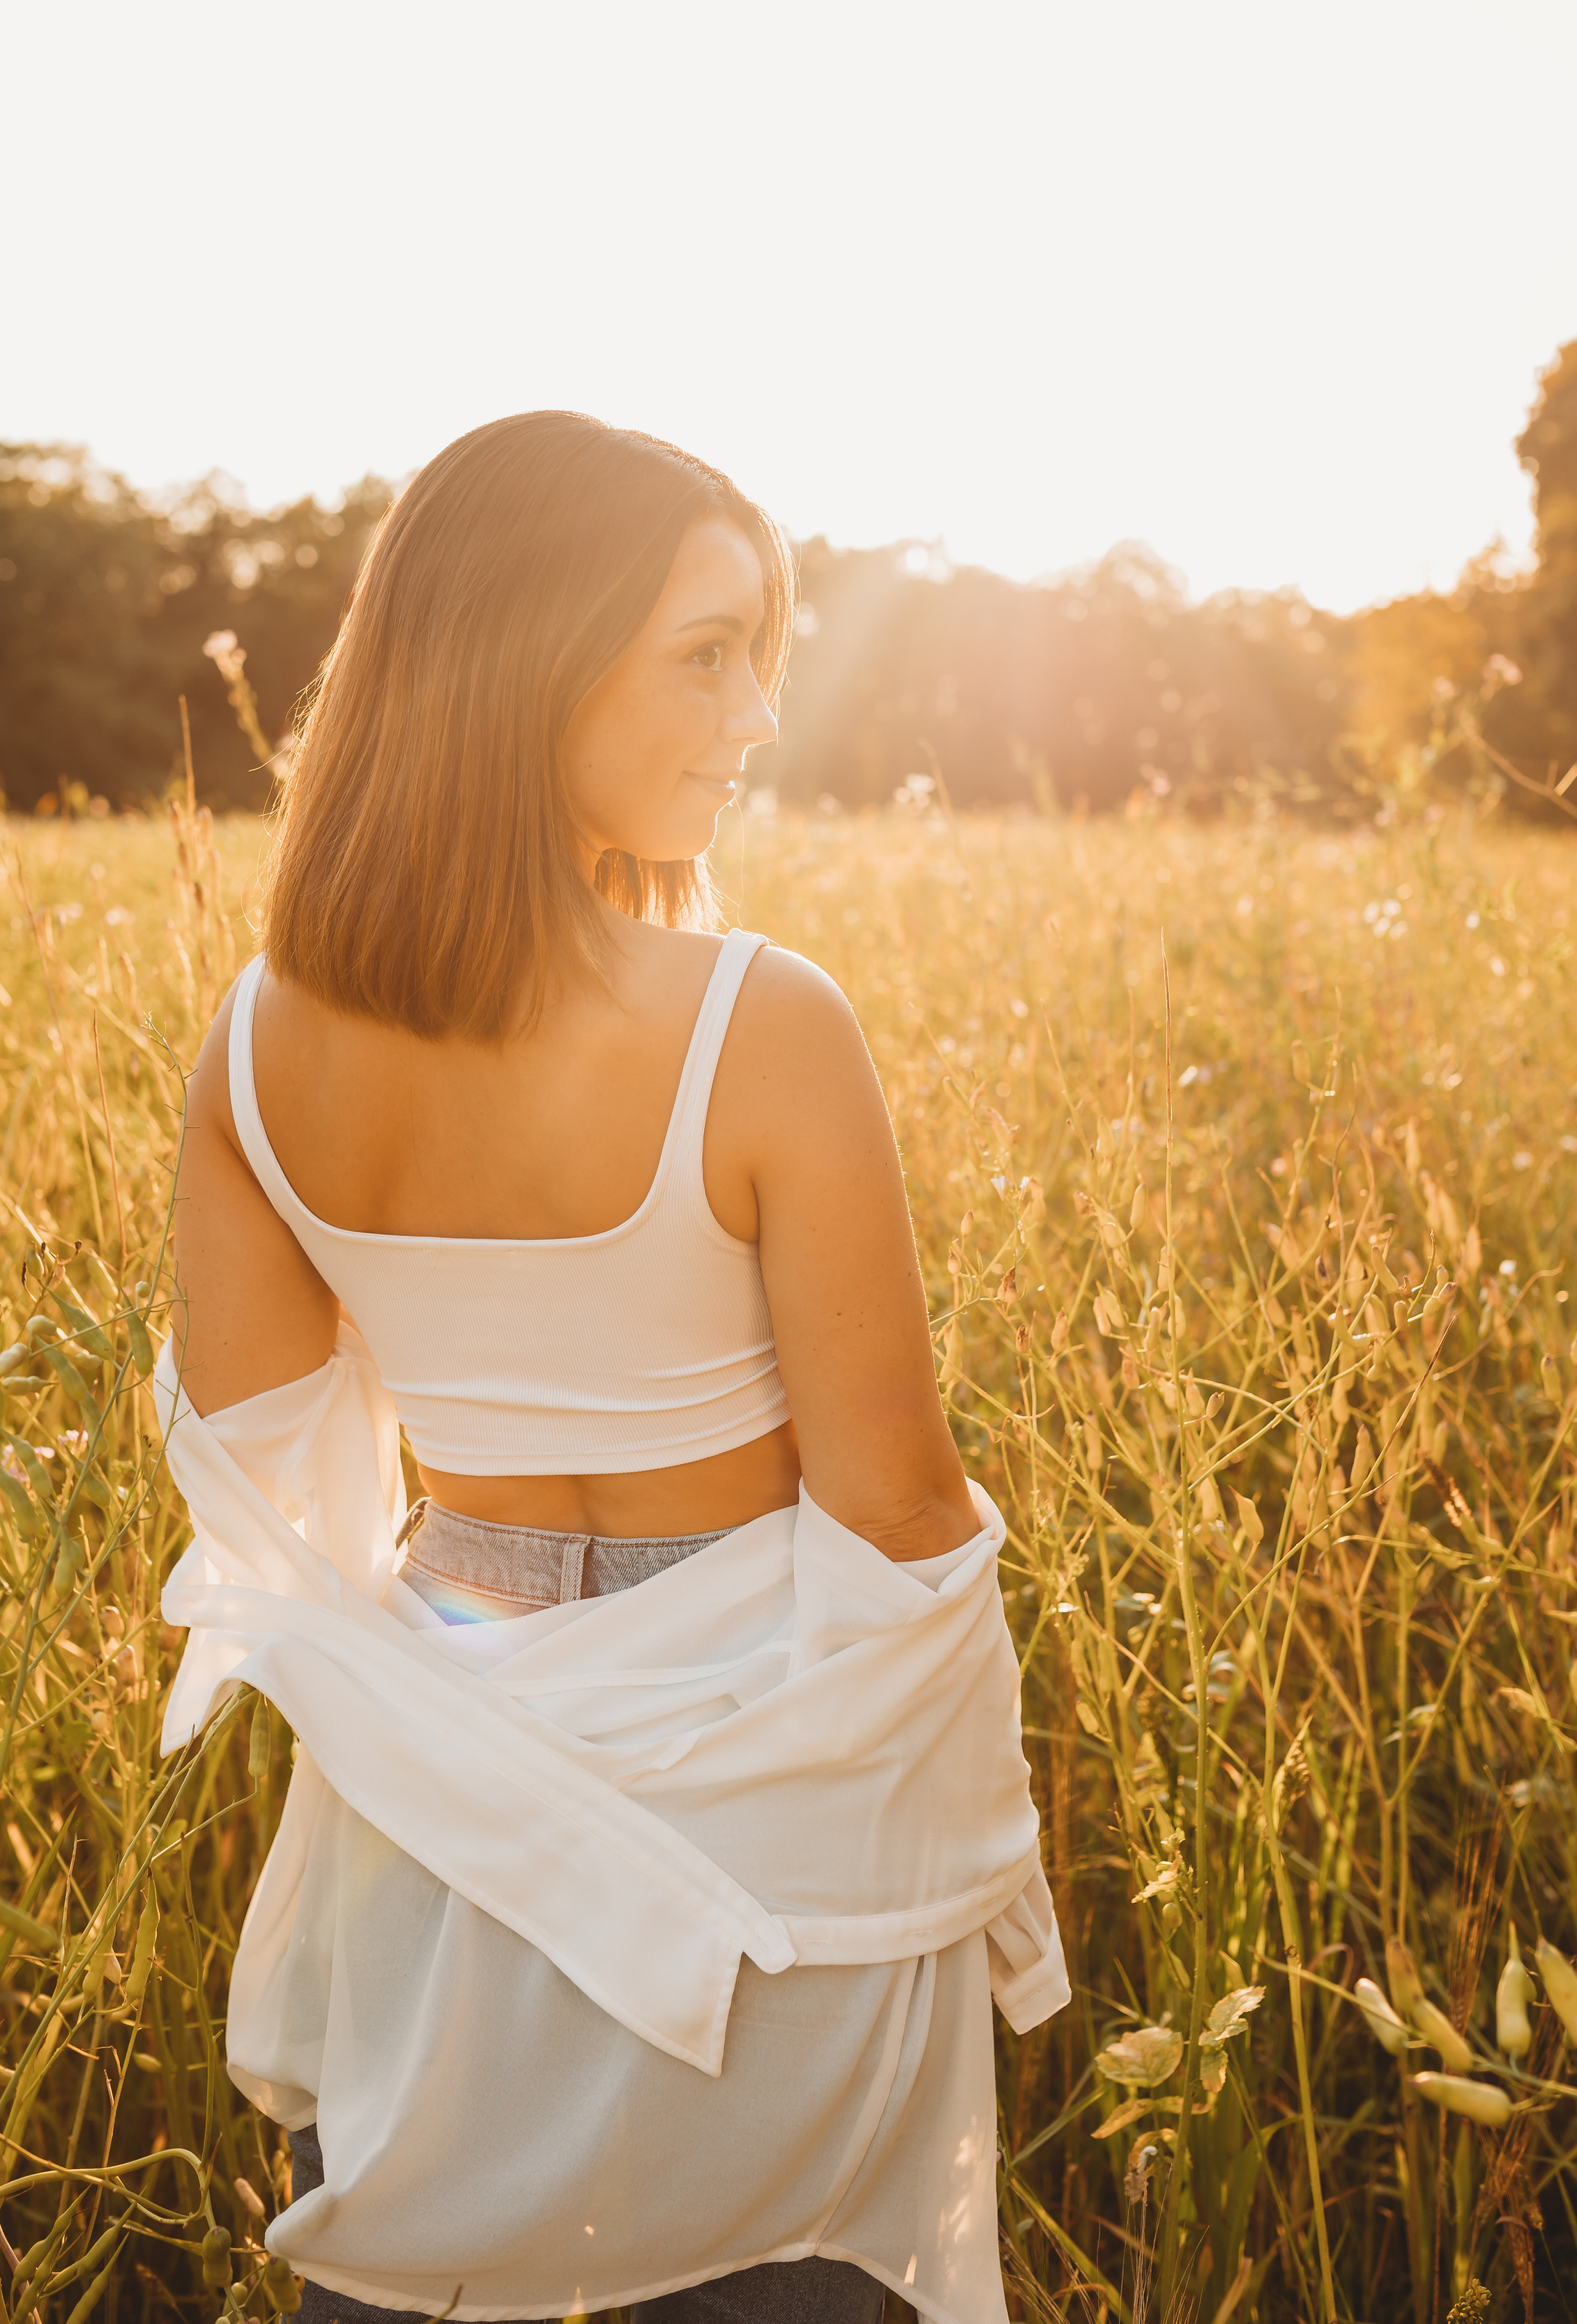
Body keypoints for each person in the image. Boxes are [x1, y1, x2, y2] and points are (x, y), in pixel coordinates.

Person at [160, 411, 1067, 2324]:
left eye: (770, 663)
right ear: (527, 651)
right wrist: (973, 1838)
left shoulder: (251, 1050)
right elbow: (895, 1507)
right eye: (706, 652)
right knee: (790, 2283)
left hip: (441, 1773)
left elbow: (267, 1514)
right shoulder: (762, 1021)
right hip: (766, 1748)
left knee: (452, 2274)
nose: (753, 719)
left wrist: (455, 1734)